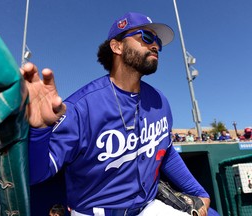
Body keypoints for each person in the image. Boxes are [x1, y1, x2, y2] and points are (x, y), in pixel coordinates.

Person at [22, 12, 211, 216]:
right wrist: (39, 131)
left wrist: (199, 192)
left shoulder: (159, 101)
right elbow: (36, 175)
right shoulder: (81, 107)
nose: (155, 45)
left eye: (158, 42)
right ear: (117, 46)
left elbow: (166, 151)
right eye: (146, 38)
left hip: (148, 207)